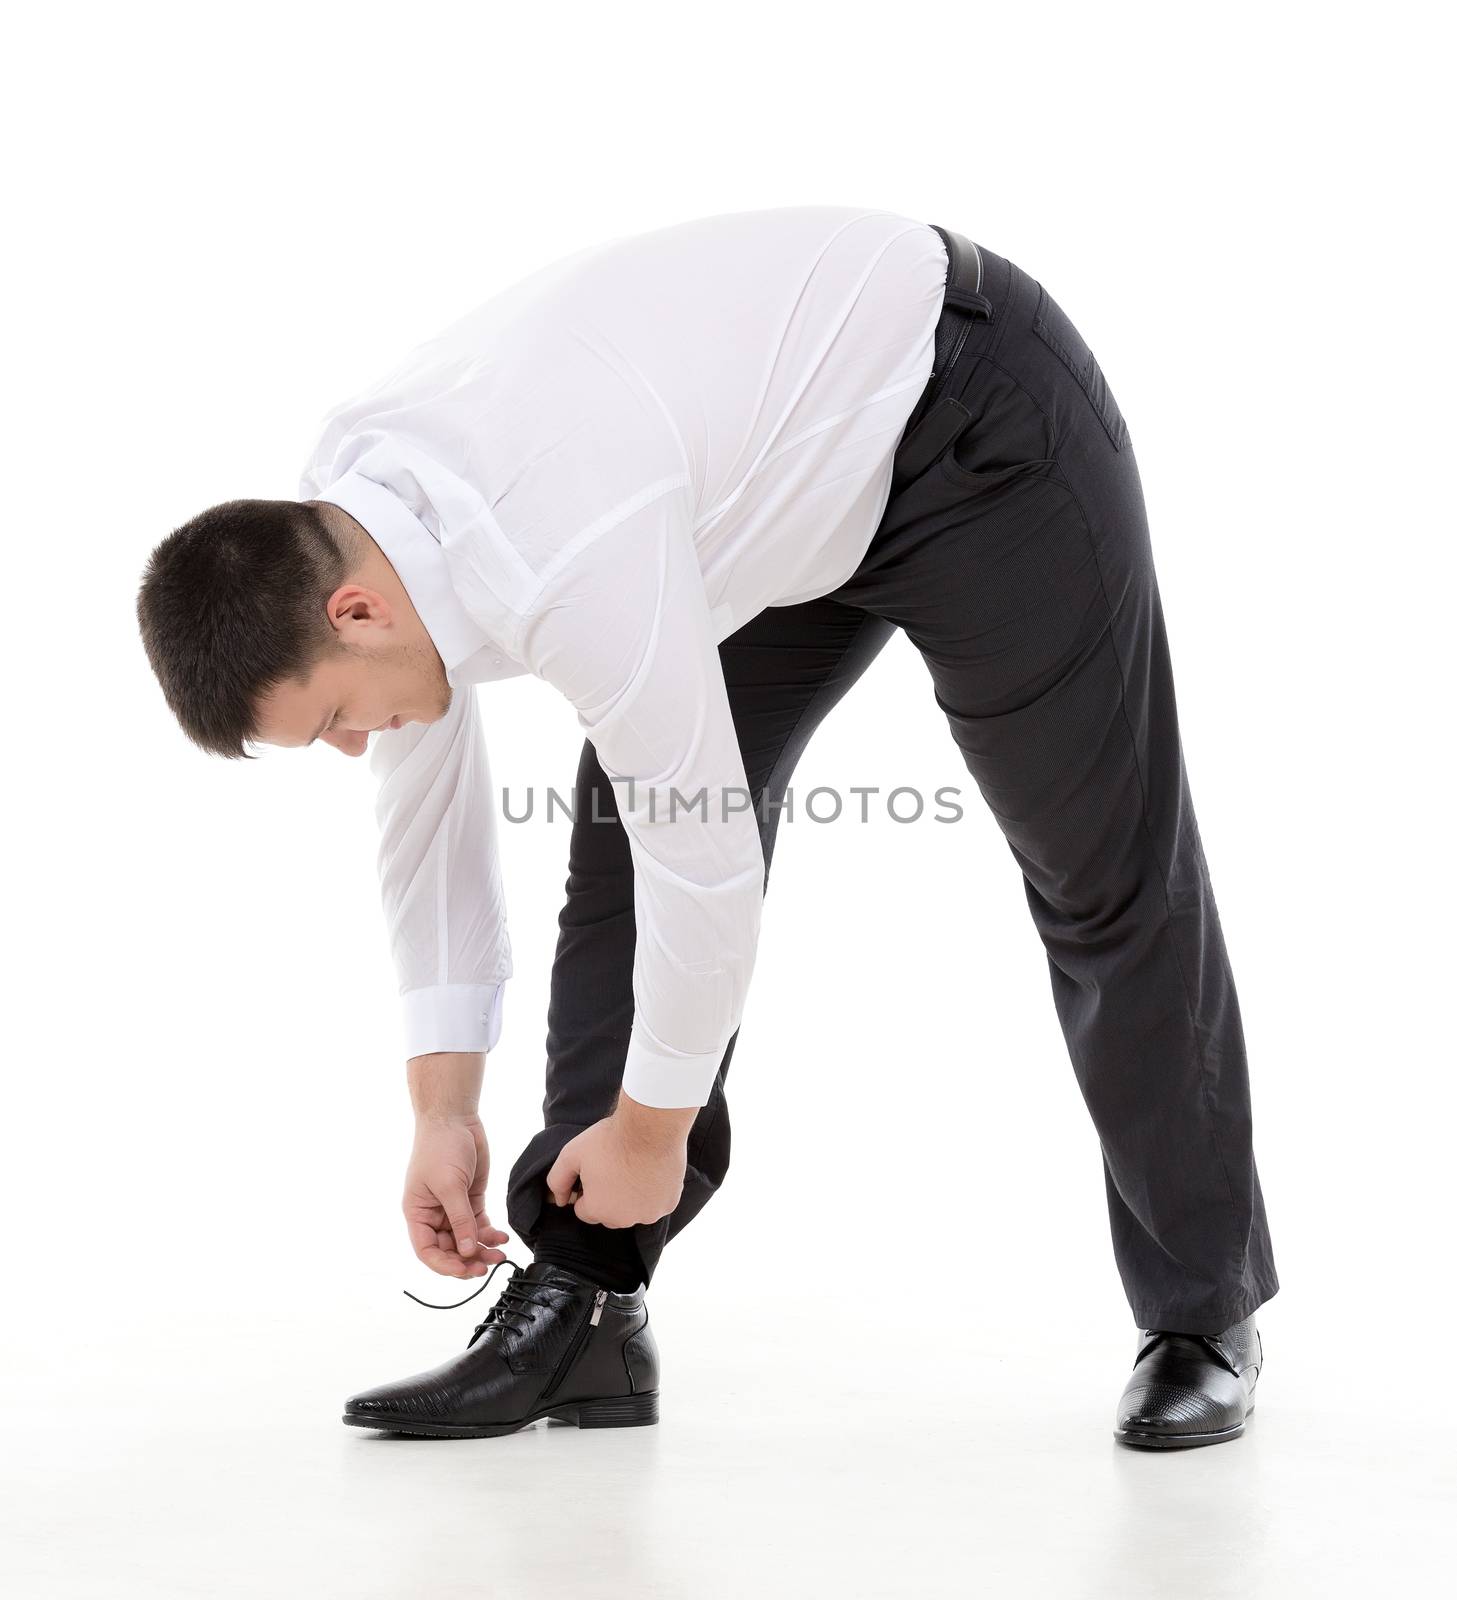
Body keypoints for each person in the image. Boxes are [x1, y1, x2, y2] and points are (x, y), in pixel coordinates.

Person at [136, 206, 1279, 1449]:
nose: (355, 744)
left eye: (333, 721)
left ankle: (1201, 1314)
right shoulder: (354, 530)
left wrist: (652, 1129)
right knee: (620, 844)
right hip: (759, 495)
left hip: (972, 424)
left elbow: (708, 860)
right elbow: (427, 837)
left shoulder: (561, 549)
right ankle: (587, 1300)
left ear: (353, 615)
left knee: (1098, 869)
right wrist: (440, 1109)